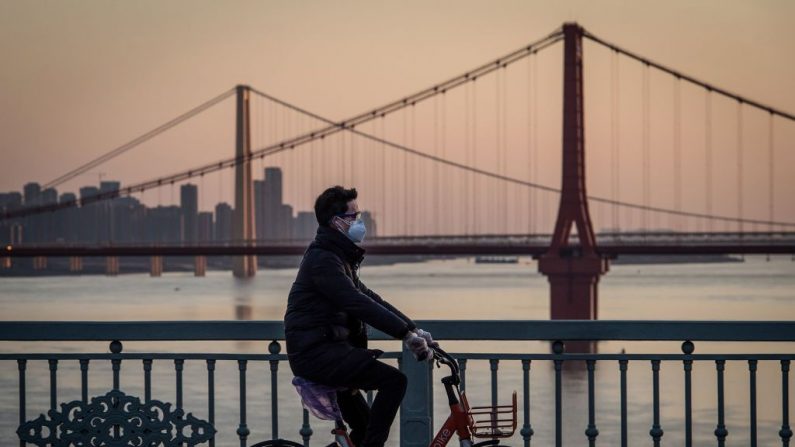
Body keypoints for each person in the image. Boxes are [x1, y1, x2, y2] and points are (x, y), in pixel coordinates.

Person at [285, 186, 435, 447]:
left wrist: (413, 329)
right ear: (337, 223)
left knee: (364, 431)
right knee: (394, 381)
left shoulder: (338, 258)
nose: (360, 222)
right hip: (317, 355)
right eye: (354, 216)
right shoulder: (323, 260)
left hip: (329, 352)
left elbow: (372, 298)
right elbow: (355, 302)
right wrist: (405, 335)